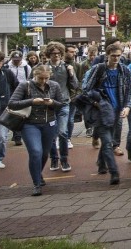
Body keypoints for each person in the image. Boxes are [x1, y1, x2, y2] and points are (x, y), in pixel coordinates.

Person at [80, 43, 131, 185]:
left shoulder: (125, 70)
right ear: (107, 55)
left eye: (118, 55)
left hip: (118, 110)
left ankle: (101, 162)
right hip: (102, 110)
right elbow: (85, 88)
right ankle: (114, 172)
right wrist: (96, 102)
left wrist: (127, 106)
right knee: (108, 141)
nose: (116, 58)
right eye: (113, 56)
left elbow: (130, 89)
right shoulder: (99, 69)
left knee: (110, 139)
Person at [8, 65, 65, 196]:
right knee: (35, 152)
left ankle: (37, 172)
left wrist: (51, 103)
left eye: (47, 78)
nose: (44, 81)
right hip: (30, 124)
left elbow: (61, 104)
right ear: (35, 75)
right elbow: (12, 103)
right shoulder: (25, 85)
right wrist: (32, 101)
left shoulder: (54, 85)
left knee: (45, 154)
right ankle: (36, 183)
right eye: (40, 78)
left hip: (49, 124)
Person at [44, 42, 79, 172]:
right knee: (51, 135)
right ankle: (54, 158)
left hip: (64, 103)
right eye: (54, 54)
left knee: (63, 132)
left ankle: (64, 159)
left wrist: (71, 73)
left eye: (59, 53)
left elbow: (75, 85)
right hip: (49, 104)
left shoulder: (67, 67)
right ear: (49, 55)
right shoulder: (44, 68)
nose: (57, 56)